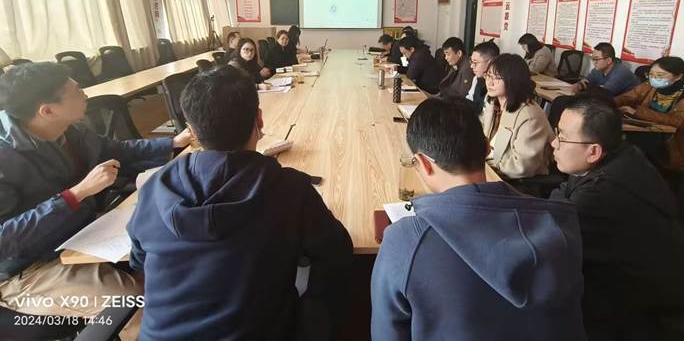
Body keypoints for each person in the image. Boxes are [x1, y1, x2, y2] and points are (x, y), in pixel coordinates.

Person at [127, 65, 353, 340]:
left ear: (192, 131)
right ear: (260, 120)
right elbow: (338, 251)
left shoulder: (155, 187)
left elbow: (138, 261)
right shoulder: (290, 190)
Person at [371, 98, 585, 341]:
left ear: (422, 163)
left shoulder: (405, 240)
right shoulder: (558, 225)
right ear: (486, 148)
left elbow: (386, 334)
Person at [0, 62, 191, 319]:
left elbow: (117, 150)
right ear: (48, 111)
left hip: (80, 234)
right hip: (28, 269)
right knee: (133, 305)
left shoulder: (68, 130)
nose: (85, 95)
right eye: (77, 92)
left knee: (171, 261)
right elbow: (5, 240)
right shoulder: (5, 157)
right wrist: (75, 195)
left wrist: (173, 142)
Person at [549, 94, 684, 340]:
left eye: (562, 136)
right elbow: (562, 192)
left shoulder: (603, 192)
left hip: (650, 317)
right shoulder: (621, 154)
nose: (554, 143)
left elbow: (553, 228)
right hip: (633, 291)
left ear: (594, 151)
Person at [481, 53, 553, 179]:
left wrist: (482, 165)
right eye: (489, 76)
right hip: (487, 169)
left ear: (513, 81)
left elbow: (521, 166)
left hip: (512, 181)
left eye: (497, 78)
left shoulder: (529, 116)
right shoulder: (492, 103)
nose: (490, 82)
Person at [615, 56, 684, 171]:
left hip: (671, 143)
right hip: (647, 130)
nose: (654, 78)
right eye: (651, 74)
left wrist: (638, 112)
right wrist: (608, 103)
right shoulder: (651, 85)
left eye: (660, 75)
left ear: (678, 77)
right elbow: (628, 97)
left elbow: (681, 121)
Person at [569, 42, 639, 96]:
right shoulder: (598, 69)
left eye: (596, 59)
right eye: (592, 58)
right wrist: (579, 85)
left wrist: (586, 87)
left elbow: (603, 95)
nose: (594, 62)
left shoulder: (621, 72)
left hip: (629, 106)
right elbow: (586, 81)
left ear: (608, 60)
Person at [466, 40, 500, 114]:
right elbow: (470, 99)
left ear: (490, 62)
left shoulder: (498, 86)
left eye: (475, 62)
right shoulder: (476, 79)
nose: (472, 66)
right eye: (471, 62)